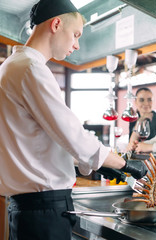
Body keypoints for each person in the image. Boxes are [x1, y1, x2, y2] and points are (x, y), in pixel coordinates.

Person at [0, 1, 146, 239]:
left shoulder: (12, 67)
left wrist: (96, 164)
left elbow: (42, 144)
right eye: (76, 35)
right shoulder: (30, 69)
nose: (77, 45)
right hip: (43, 210)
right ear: (56, 24)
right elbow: (74, 136)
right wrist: (124, 164)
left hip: (30, 208)